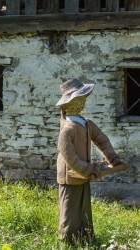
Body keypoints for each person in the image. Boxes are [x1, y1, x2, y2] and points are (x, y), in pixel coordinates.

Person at [56, 79, 122, 245]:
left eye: (84, 98)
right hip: (70, 175)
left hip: (83, 173)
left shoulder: (86, 123)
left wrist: (112, 157)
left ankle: (85, 238)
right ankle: (68, 241)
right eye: (80, 99)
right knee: (70, 210)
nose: (83, 101)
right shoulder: (68, 128)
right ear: (70, 104)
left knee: (84, 208)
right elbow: (67, 154)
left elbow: (102, 140)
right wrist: (86, 168)